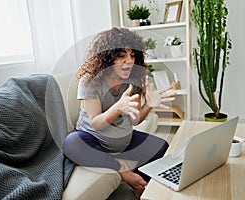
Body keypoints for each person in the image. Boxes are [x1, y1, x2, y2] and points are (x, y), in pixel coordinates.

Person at [63, 27, 176, 198]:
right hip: (93, 139)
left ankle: (142, 188)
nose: (129, 61)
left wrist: (149, 105)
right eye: (121, 56)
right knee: (71, 143)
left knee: (162, 146)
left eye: (132, 56)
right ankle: (123, 171)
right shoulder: (90, 81)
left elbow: (135, 120)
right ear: (107, 58)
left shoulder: (134, 79)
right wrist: (117, 107)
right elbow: (96, 122)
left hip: (124, 140)